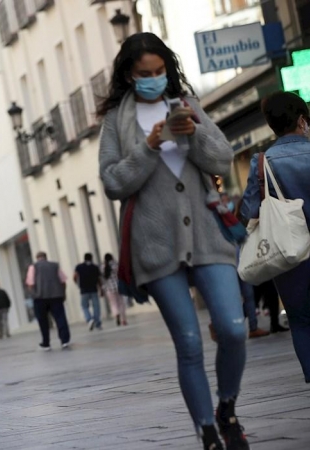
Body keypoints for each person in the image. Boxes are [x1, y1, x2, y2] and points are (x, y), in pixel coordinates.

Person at [98, 33, 248, 449]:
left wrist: (192, 134)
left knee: (233, 329)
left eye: (160, 71)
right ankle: (207, 432)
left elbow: (221, 158)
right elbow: (112, 182)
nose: (153, 79)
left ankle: (227, 407)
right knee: (188, 342)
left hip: (206, 234)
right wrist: (149, 146)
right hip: (155, 244)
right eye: (144, 74)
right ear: (130, 75)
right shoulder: (116, 121)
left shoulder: (186, 104)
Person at [240, 91, 310, 384]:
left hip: (291, 253)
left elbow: (247, 210)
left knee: (301, 319)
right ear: (302, 121)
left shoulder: (262, 163)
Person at [26, 252, 71, 350]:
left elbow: (30, 283)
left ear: (37, 258)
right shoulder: (55, 265)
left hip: (40, 298)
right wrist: (63, 294)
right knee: (60, 318)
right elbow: (63, 281)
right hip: (56, 296)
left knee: (43, 321)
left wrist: (34, 295)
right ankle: (64, 340)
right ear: (46, 257)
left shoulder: (33, 267)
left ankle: (46, 342)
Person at [74, 253, 103, 331]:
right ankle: (97, 322)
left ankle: (89, 319)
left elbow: (75, 276)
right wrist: (101, 289)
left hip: (84, 290)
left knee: (84, 306)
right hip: (94, 289)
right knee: (96, 306)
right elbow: (99, 279)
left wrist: (77, 283)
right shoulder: (95, 267)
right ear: (91, 258)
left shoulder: (79, 267)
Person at [102, 253, 128, 326]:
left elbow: (103, 279)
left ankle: (116, 314)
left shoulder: (103, 267)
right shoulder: (116, 264)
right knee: (121, 303)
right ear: (112, 257)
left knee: (113, 304)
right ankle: (124, 319)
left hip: (109, 288)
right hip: (118, 286)